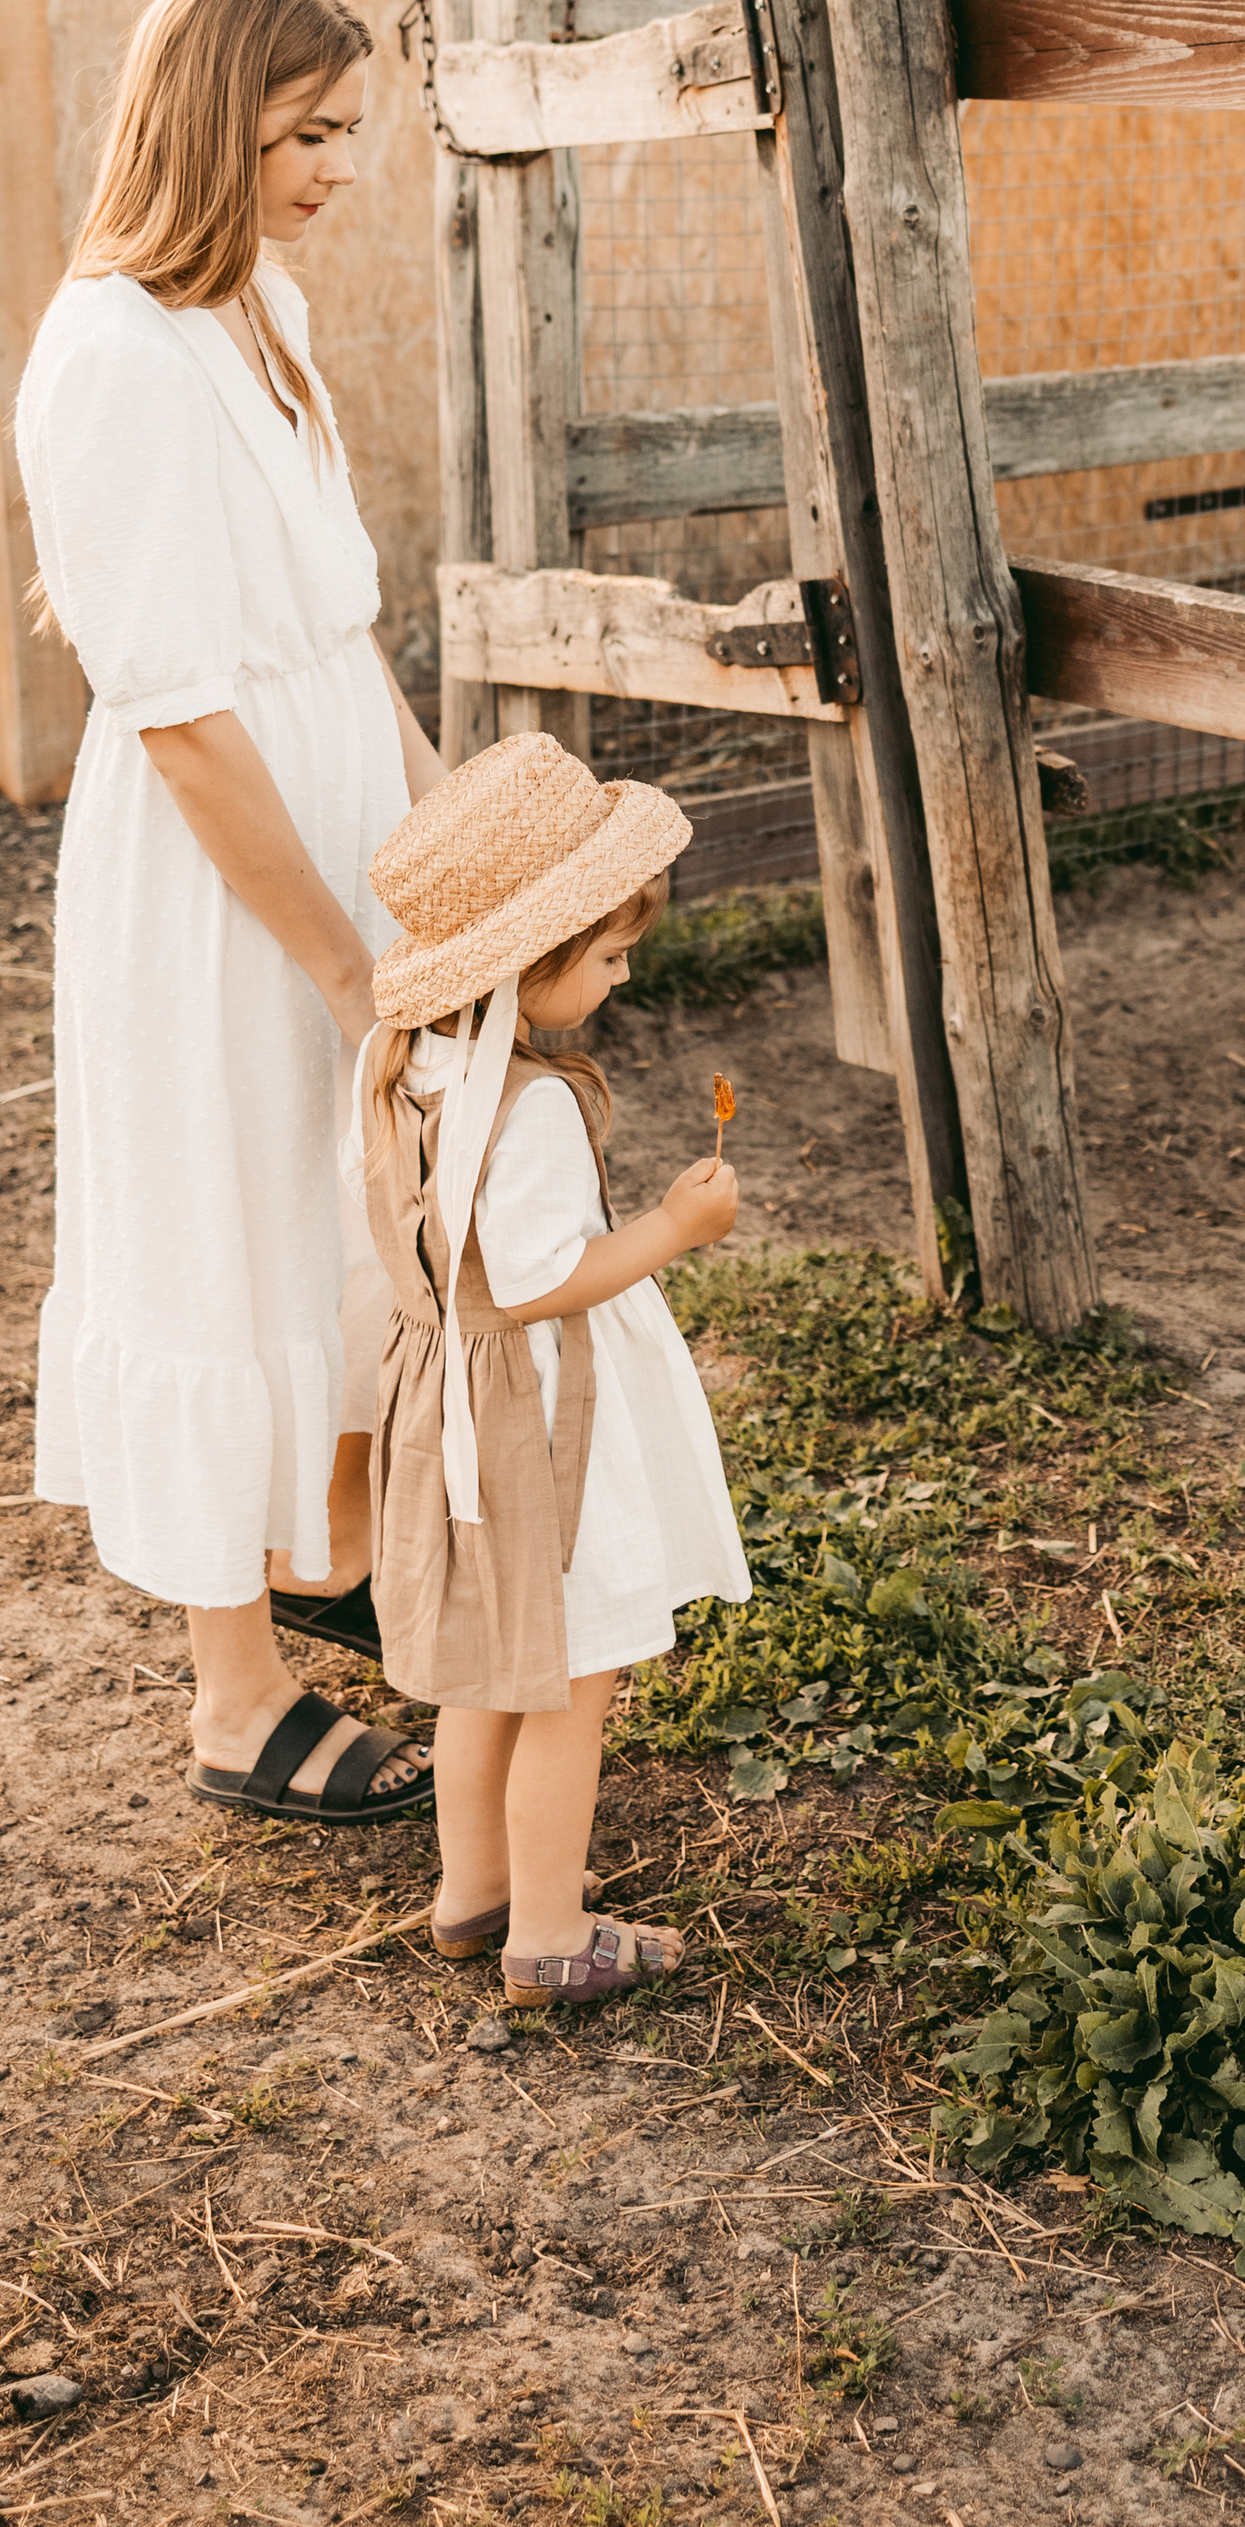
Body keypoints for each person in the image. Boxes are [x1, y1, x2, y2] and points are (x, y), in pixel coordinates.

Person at [17, 0, 444, 1824]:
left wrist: (445, 849)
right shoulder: (106, 355)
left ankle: (317, 1547)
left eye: (347, 130)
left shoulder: (260, 306)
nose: (340, 169)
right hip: (217, 890)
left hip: (334, 828)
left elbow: (339, 628)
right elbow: (185, 719)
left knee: (331, 1211)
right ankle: (232, 1695)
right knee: (221, 1228)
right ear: (214, 126)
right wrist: (345, 964)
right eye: (308, 134)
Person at [358, 732, 748, 2003]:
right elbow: (535, 1282)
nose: (625, 975)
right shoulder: (520, 1106)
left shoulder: (411, 1062)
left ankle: (470, 1892)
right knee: (573, 1682)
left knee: (491, 1667)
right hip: (532, 1424)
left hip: (451, 1396)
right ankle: (547, 1932)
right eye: (611, 954)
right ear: (535, 957)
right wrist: (671, 1233)